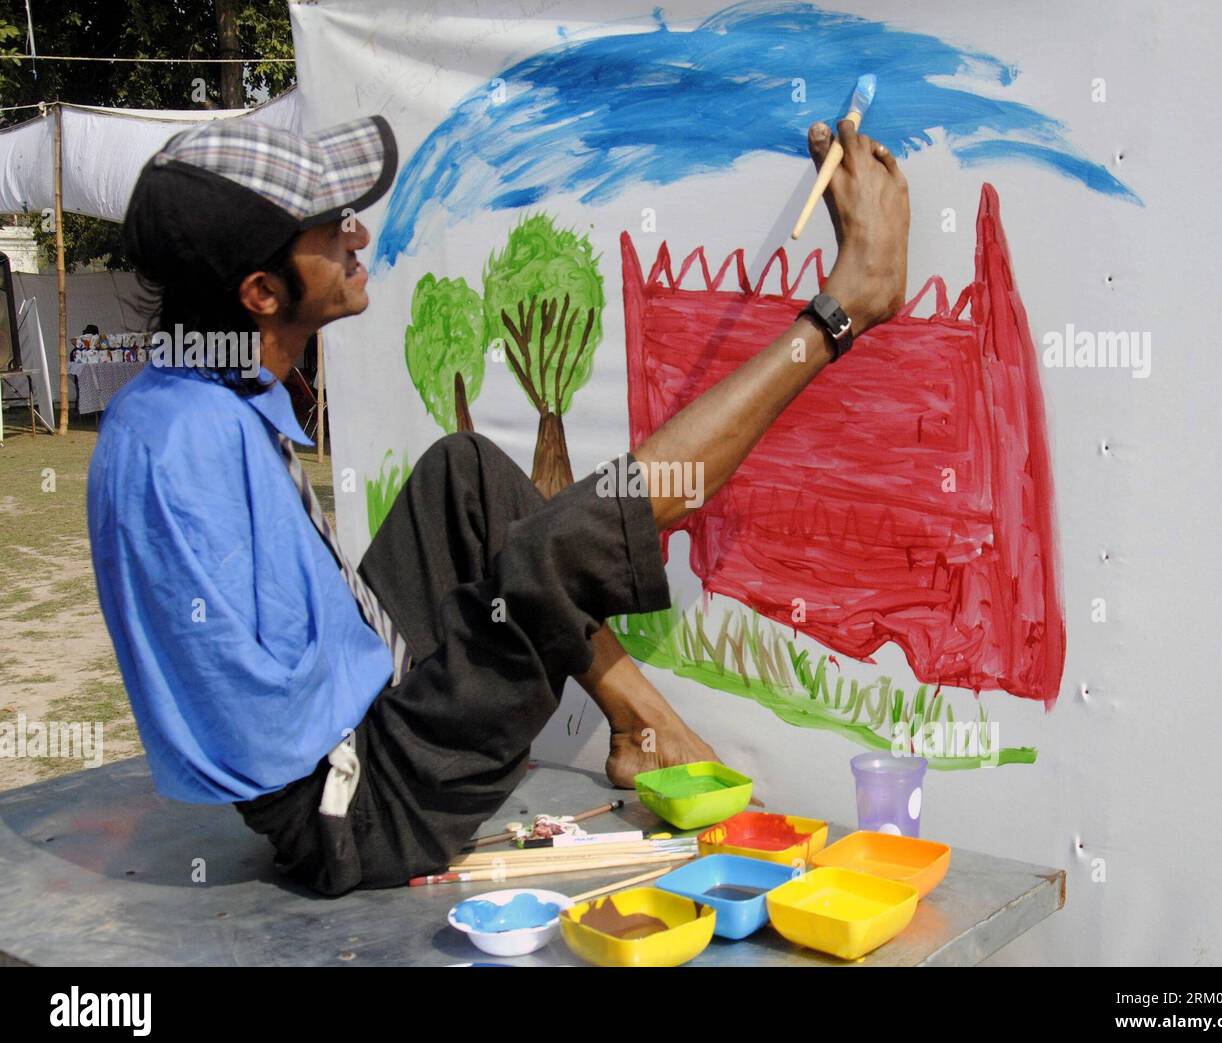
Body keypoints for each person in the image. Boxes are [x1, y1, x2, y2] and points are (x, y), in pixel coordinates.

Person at [88, 113, 909, 895]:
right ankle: (847, 305)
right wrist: (452, 681)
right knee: (555, 553)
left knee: (466, 473)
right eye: (331, 226)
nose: (358, 236)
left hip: (353, 722)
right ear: (263, 293)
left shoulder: (192, 396)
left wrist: (445, 657)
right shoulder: (186, 445)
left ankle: (639, 725)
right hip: (357, 808)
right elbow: (253, 731)